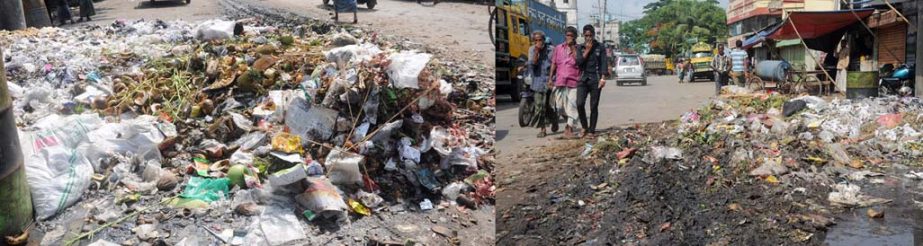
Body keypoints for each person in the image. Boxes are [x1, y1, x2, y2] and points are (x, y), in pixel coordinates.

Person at [575, 24, 608, 138]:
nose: (588, 38)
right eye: (586, 36)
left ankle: (591, 131)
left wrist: (603, 78)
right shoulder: (580, 47)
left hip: (596, 79)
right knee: (579, 104)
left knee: (593, 106)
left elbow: (604, 62)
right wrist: (587, 50)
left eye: (590, 35)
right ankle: (584, 126)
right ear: (583, 36)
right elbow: (578, 62)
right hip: (583, 79)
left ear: (594, 35)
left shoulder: (600, 46)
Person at [549, 26, 581, 139]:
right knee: (560, 107)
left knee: (572, 106)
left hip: (573, 82)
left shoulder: (578, 49)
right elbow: (554, 64)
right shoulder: (558, 48)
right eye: (568, 35)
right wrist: (550, 78)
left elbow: (579, 61)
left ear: (575, 37)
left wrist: (572, 47)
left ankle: (569, 128)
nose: (569, 38)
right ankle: (569, 123)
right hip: (560, 81)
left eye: (571, 36)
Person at [525, 31, 555, 138]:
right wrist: (536, 53)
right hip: (537, 81)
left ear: (543, 40)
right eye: (536, 40)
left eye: (540, 40)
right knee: (539, 106)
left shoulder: (551, 50)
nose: (538, 42)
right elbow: (532, 65)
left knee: (548, 106)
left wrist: (553, 79)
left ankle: (554, 120)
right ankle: (543, 129)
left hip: (549, 80)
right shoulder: (532, 50)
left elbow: (555, 65)